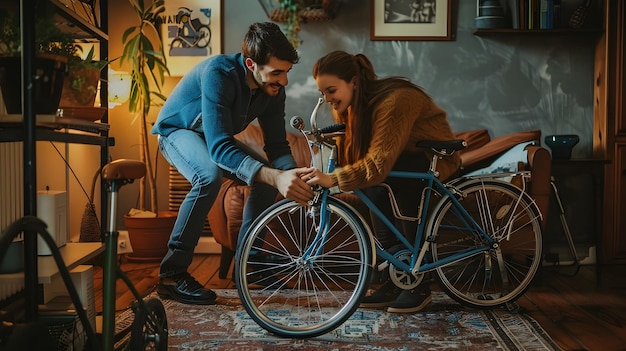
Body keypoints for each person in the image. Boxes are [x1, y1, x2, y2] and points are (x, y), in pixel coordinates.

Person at [151, 22, 314, 305]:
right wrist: (274, 176)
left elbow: (276, 145)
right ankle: (171, 274)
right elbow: (219, 147)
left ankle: (249, 263)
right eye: (277, 72)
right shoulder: (220, 73)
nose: (284, 81)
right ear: (252, 64)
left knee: (263, 180)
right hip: (178, 132)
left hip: (212, 138)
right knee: (208, 175)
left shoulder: (273, 89)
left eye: (287, 72)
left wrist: (292, 175)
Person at [301, 50, 461, 313]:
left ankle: (418, 282)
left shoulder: (396, 101)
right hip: (399, 161)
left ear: (353, 81)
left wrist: (333, 178)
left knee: (402, 180)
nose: (327, 99)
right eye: (323, 94)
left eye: (331, 90)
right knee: (373, 186)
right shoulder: (355, 107)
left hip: (433, 159)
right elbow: (358, 158)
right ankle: (394, 277)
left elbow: (376, 165)